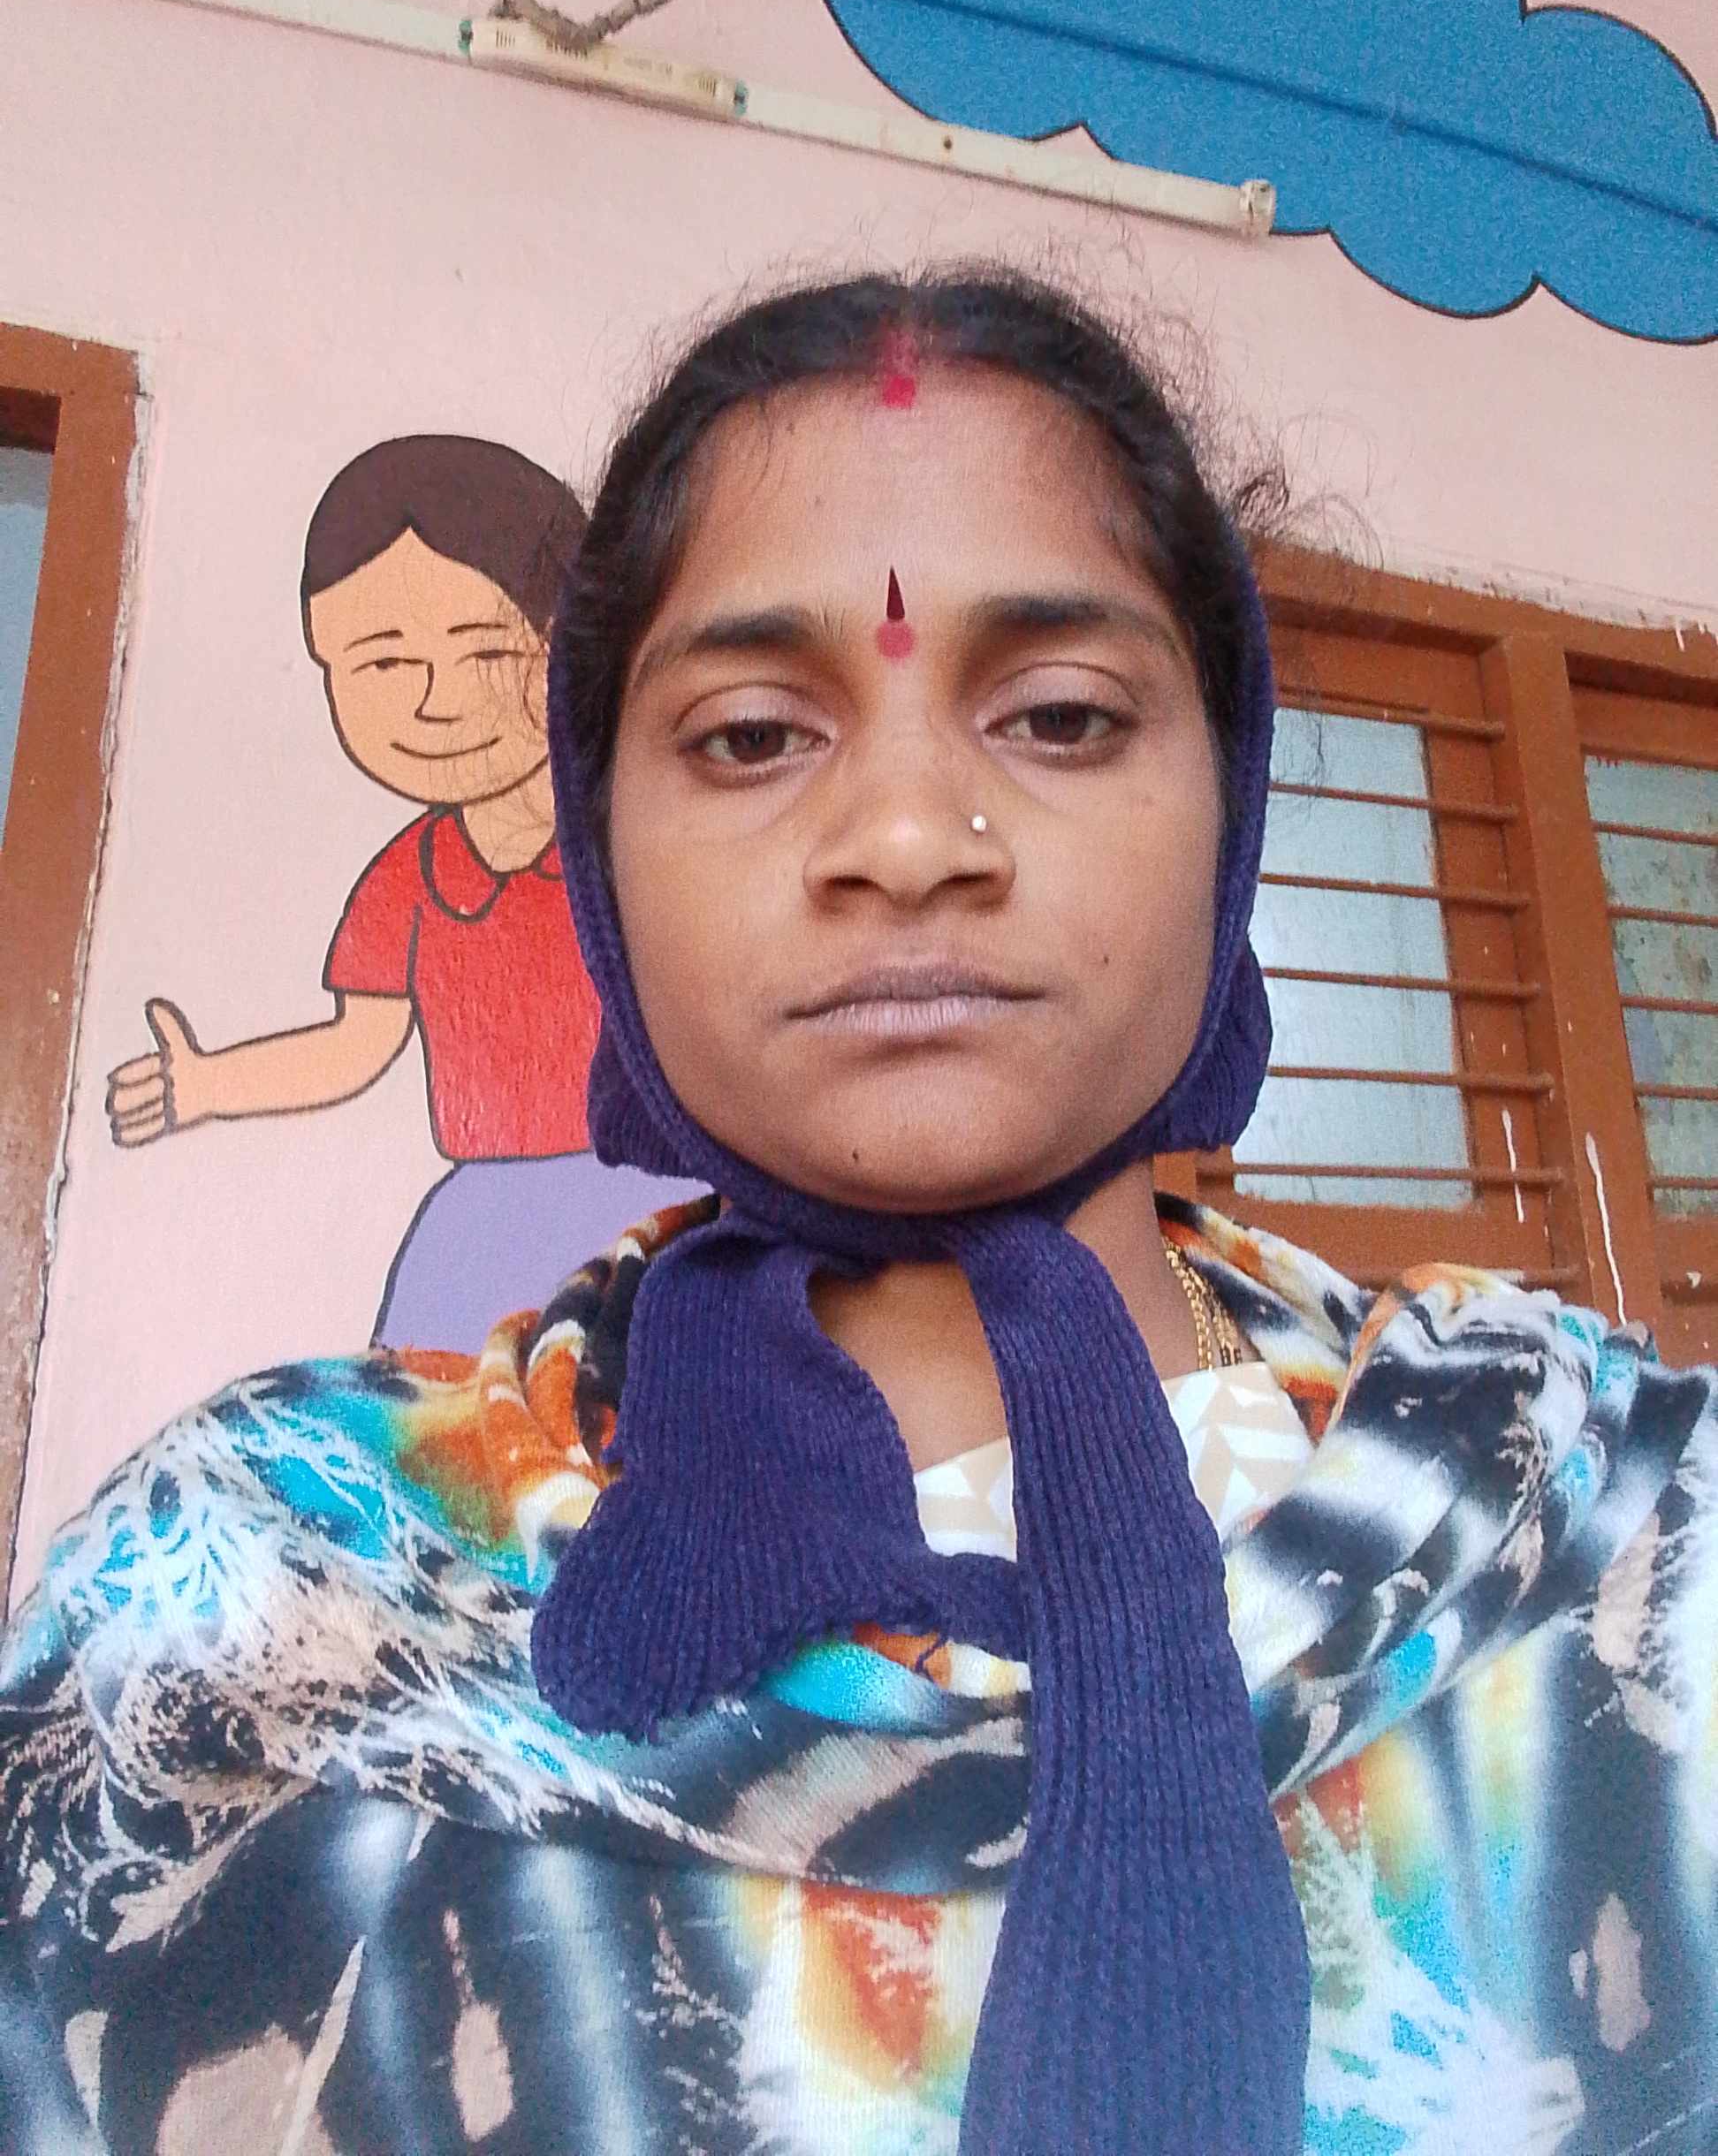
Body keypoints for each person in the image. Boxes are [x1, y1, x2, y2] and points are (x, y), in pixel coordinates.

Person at [4, 270, 1714, 2155]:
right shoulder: (246, 1598)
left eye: (1058, 716)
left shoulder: (1621, 1519)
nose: (906, 842)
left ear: (1228, 818)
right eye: (751, 735)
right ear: (601, 856)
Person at [104, 435, 700, 1349]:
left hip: (658, 1187)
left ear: (571, 649)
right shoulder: (406, 883)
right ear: (325, 661)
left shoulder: (636, 838)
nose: (437, 701)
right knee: (427, 1411)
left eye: (486, 652)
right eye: (382, 663)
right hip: (486, 1212)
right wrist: (208, 1083)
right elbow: (356, 1045)